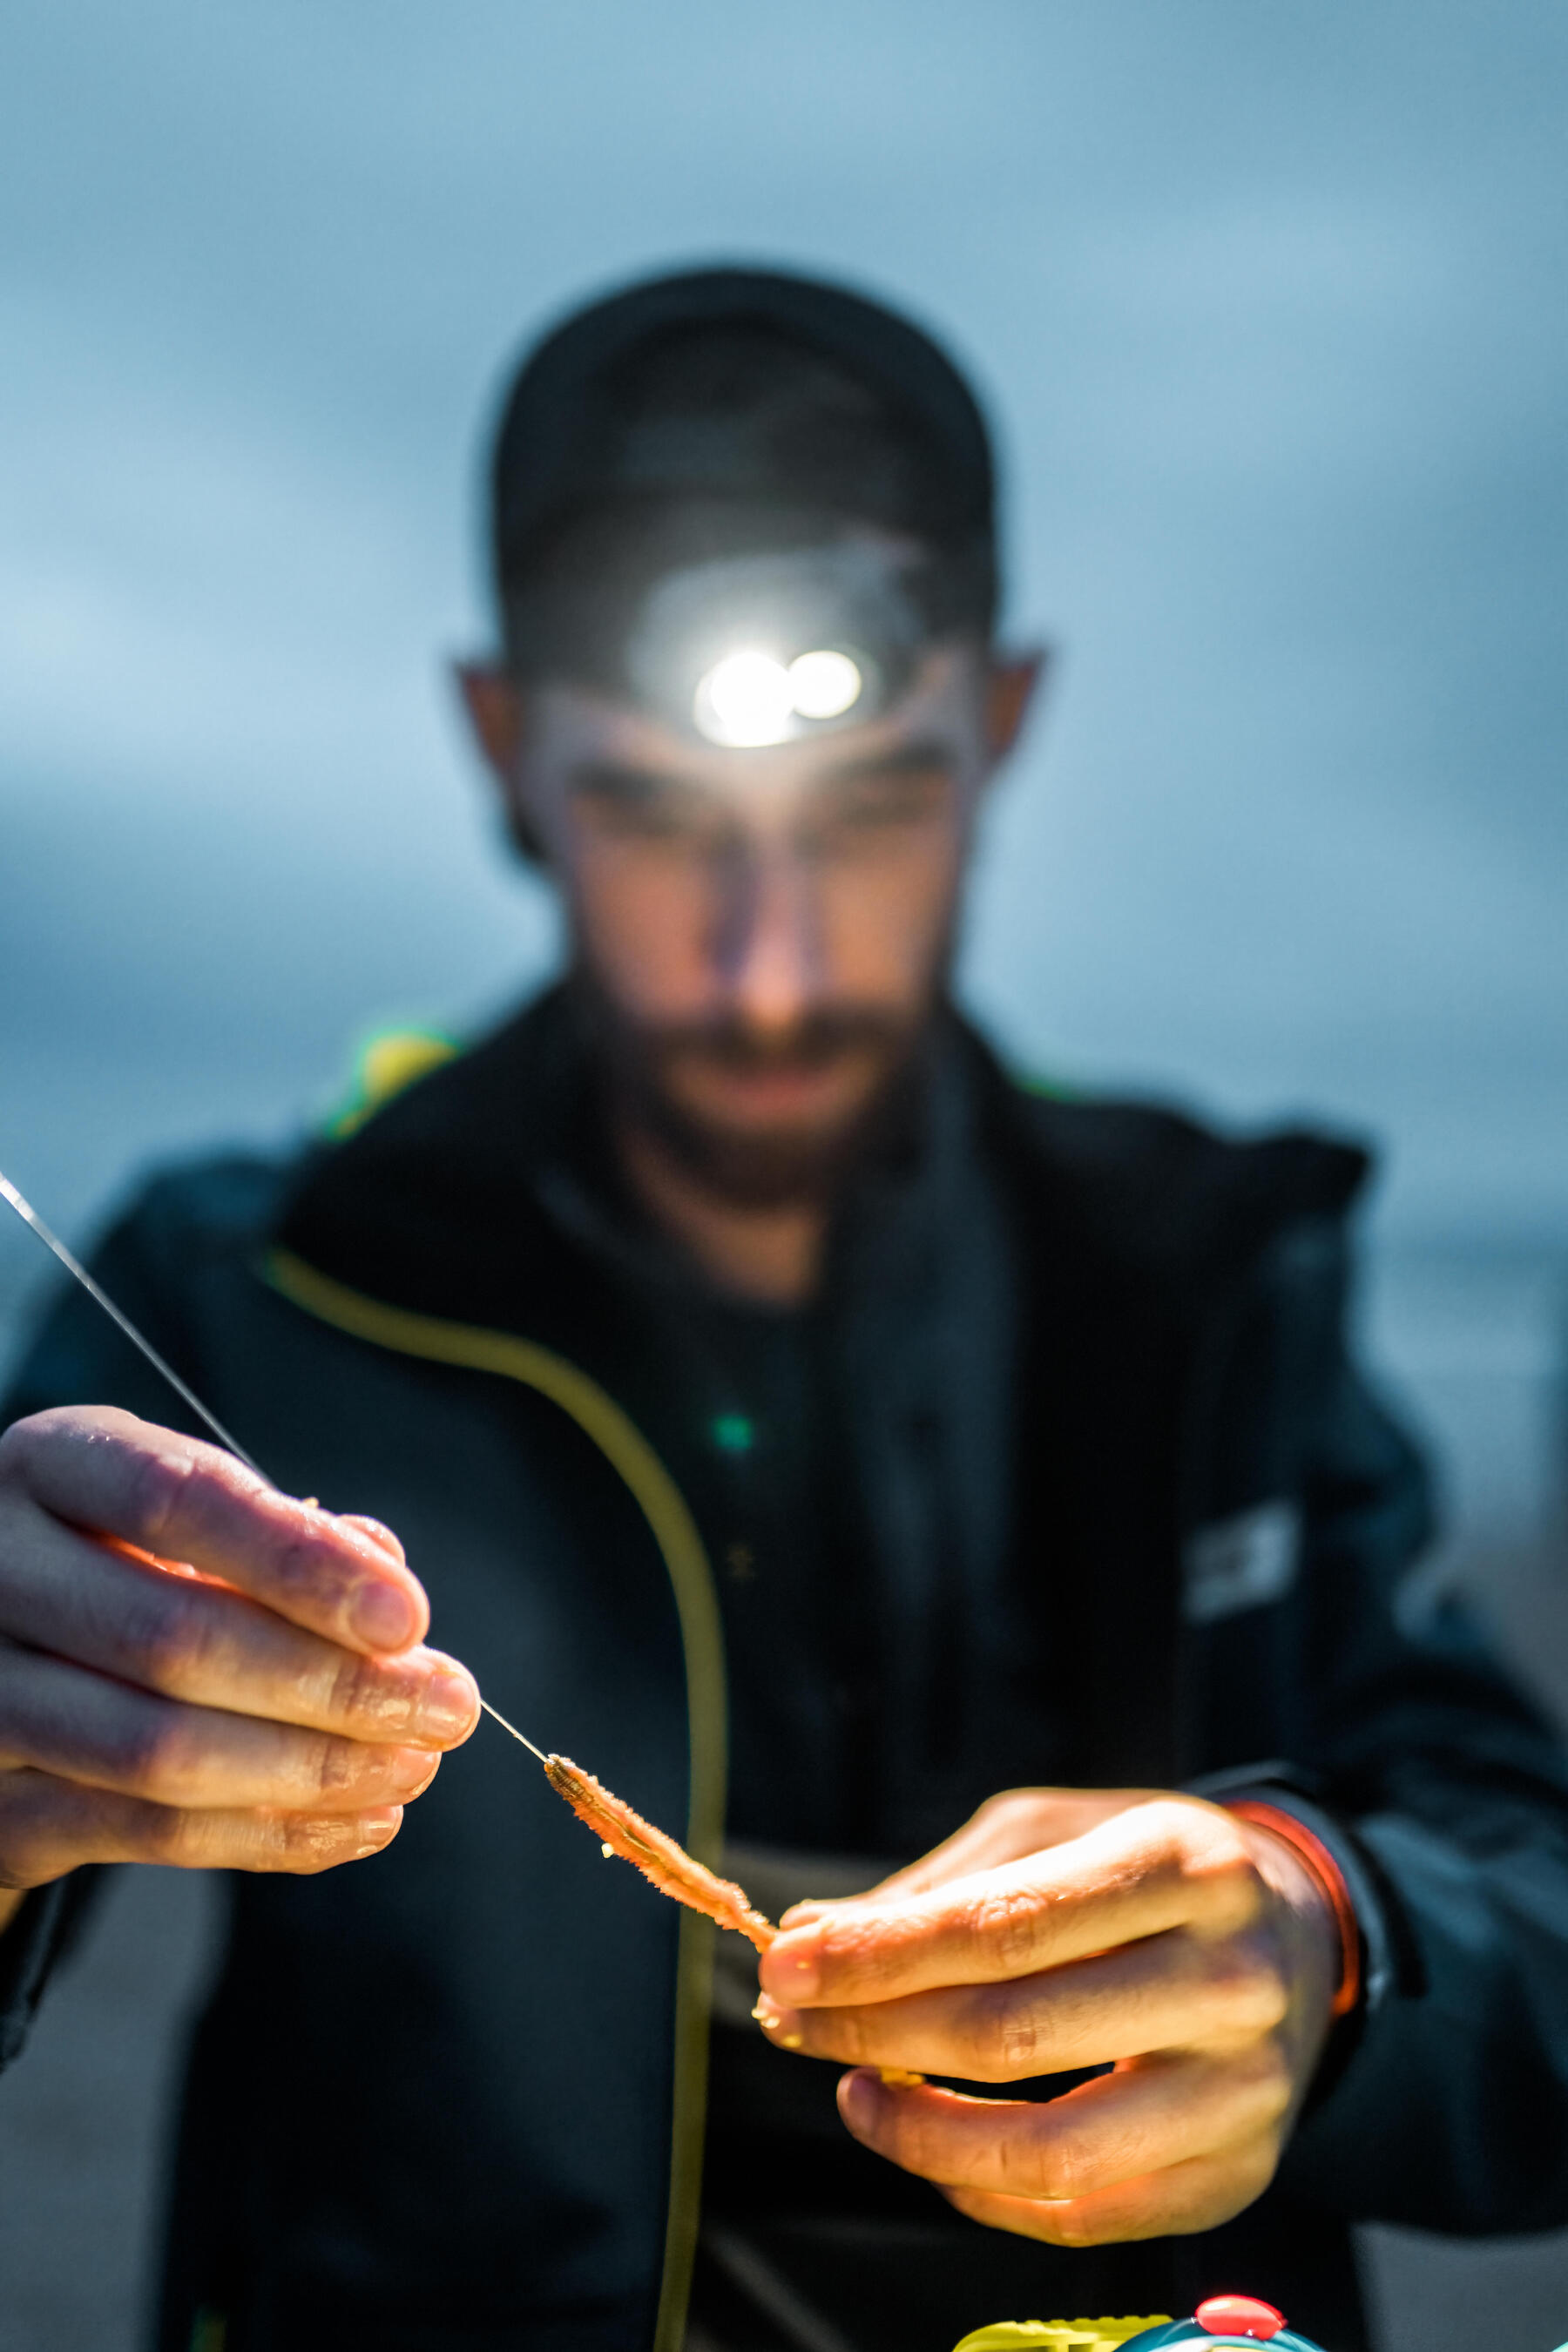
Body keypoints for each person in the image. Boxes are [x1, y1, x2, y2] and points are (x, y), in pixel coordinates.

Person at [1, 265, 1565, 2352]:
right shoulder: (244, 1287)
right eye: (656, 816)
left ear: (1001, 727)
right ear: (501, 745)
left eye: (872, 811)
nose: (766, 967)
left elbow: (1528, 1893)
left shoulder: (1215, 1279)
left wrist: (1332, 1931)